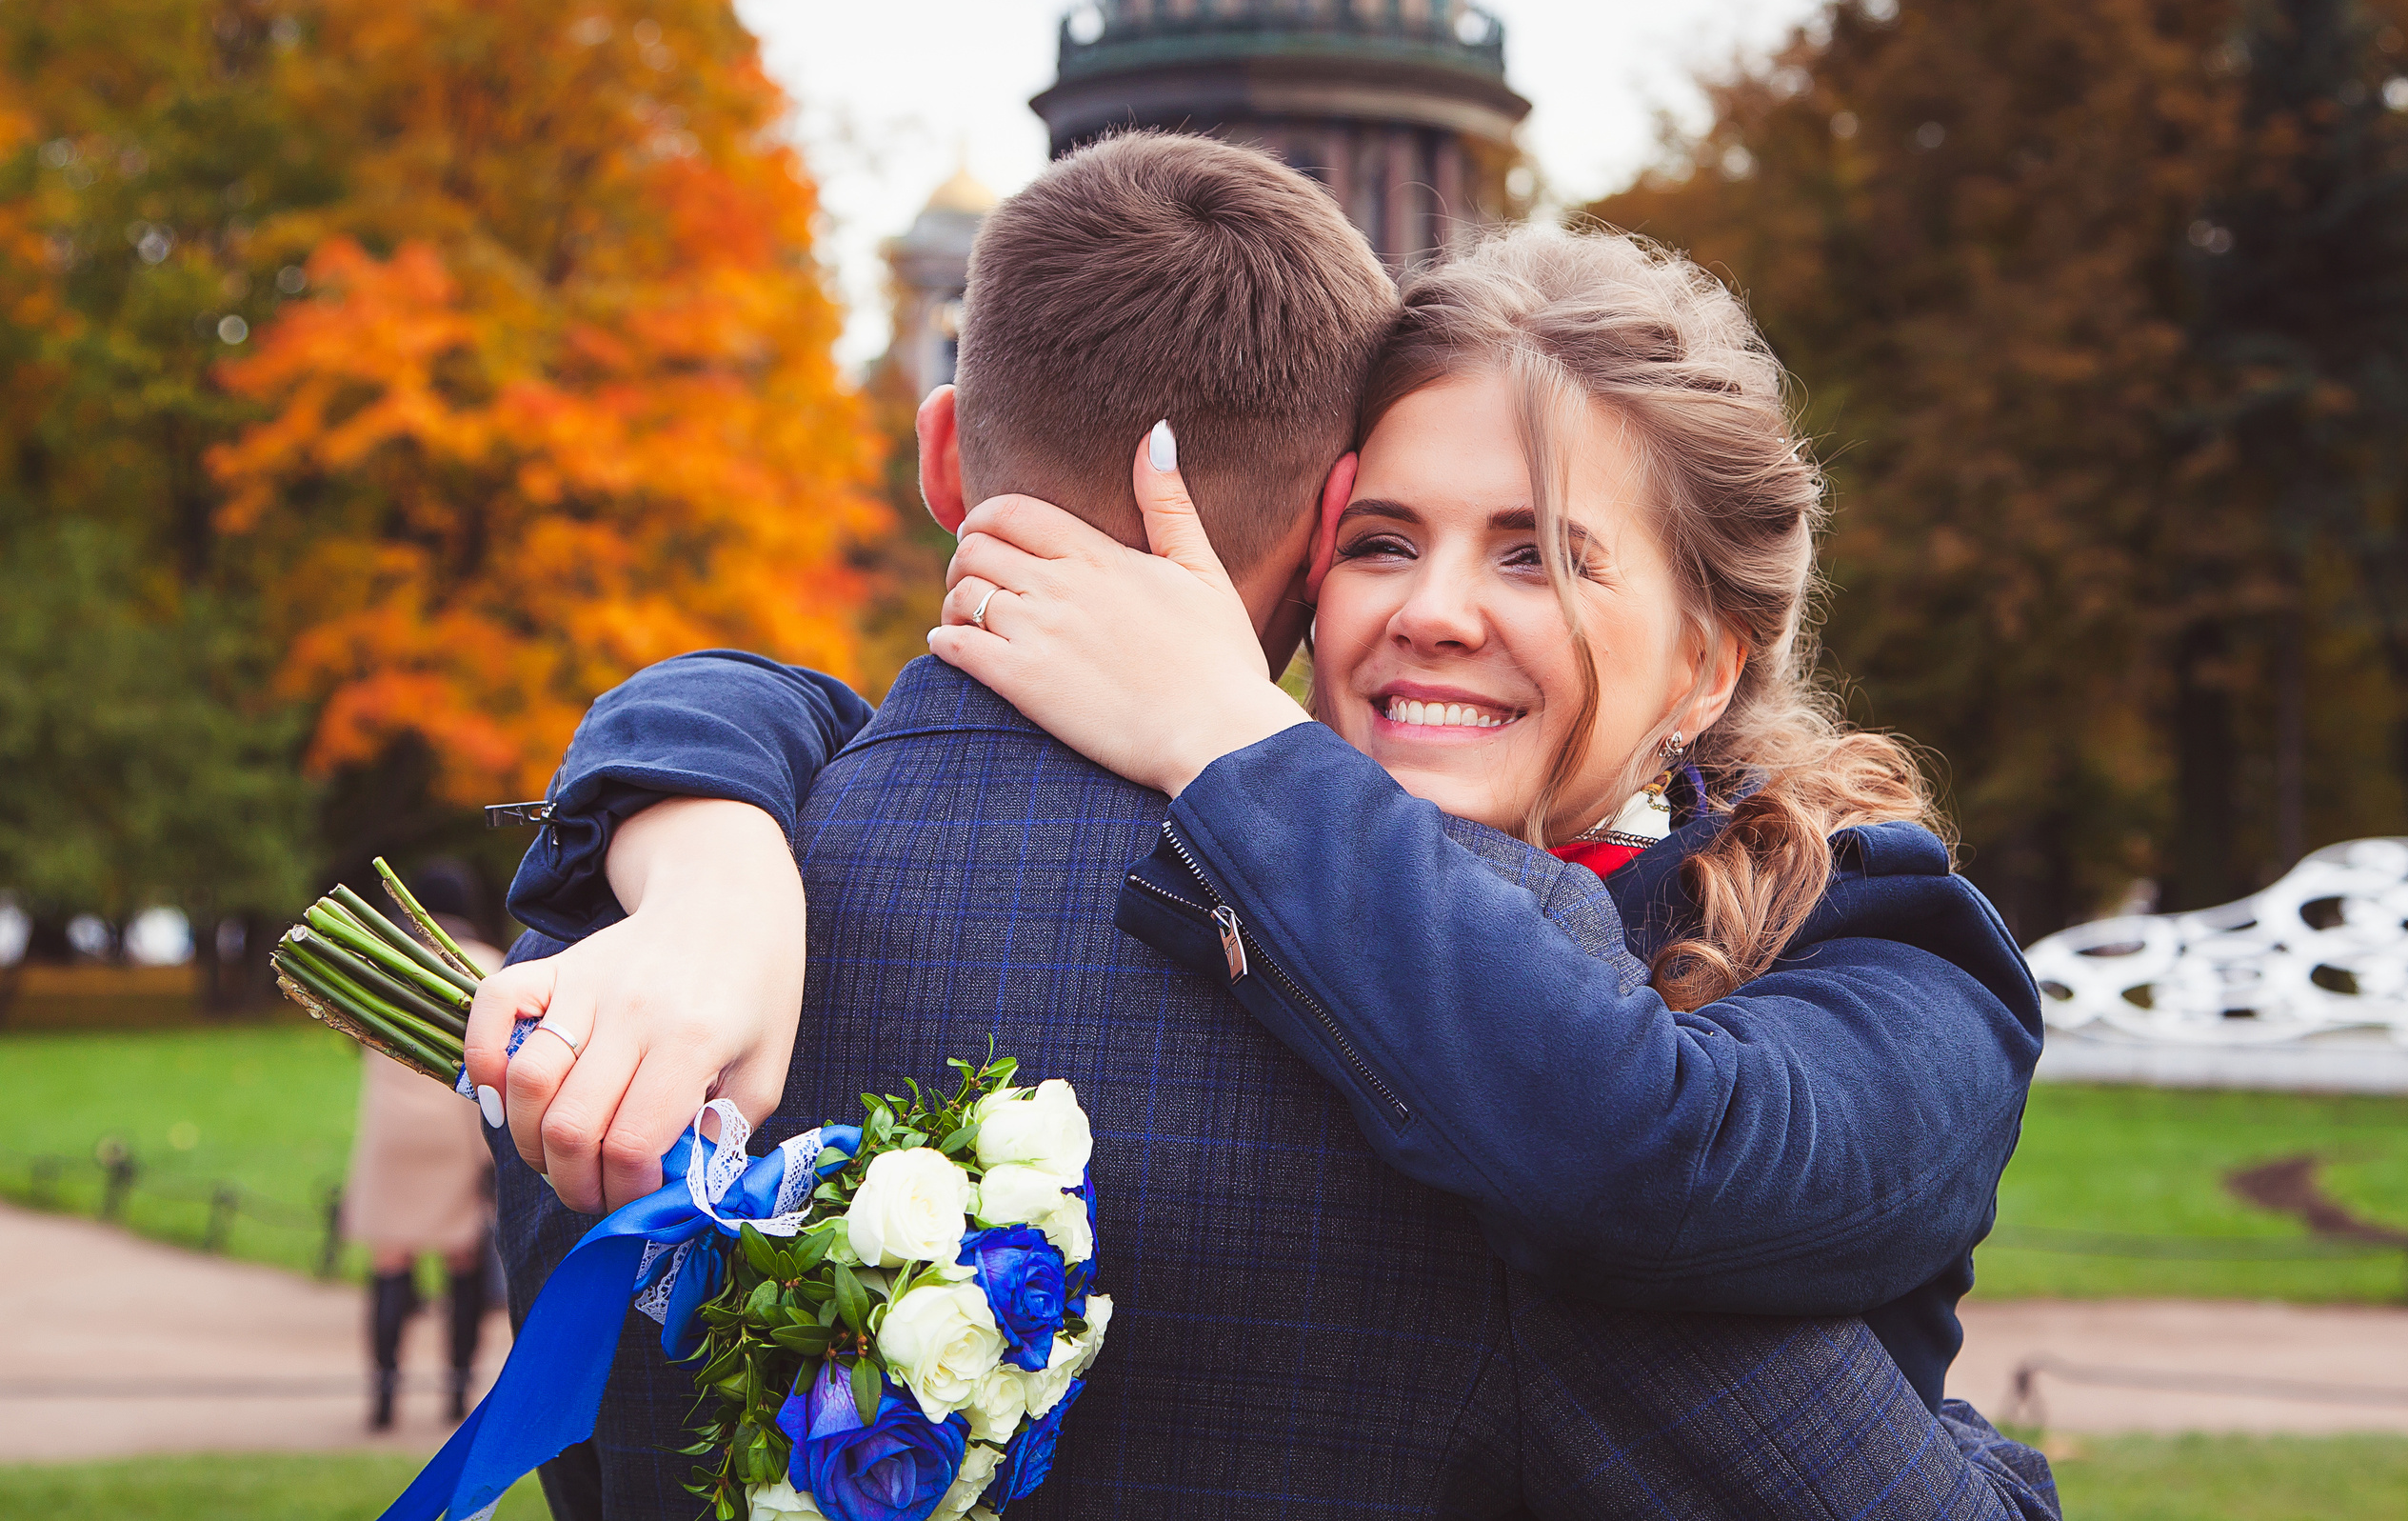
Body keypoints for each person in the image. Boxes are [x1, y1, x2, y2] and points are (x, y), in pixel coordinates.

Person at [474, 132, 2055, 1518]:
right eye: (1383, 539)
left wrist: (1231, 736)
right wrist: (707, 864)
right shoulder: (670, 964)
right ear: (1308, 548)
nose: (1434, 611)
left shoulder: (1878, 955)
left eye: (1535, 557)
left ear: (1713, 656)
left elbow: (1640, 1139)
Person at [342, 861, 501, 1429]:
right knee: (463, 1261)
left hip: (392, 1136)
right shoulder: (484, 968)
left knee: (390, 1259)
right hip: (455, 1135)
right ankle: (456, 1396)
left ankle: (383, 1400)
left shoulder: (380, 966)